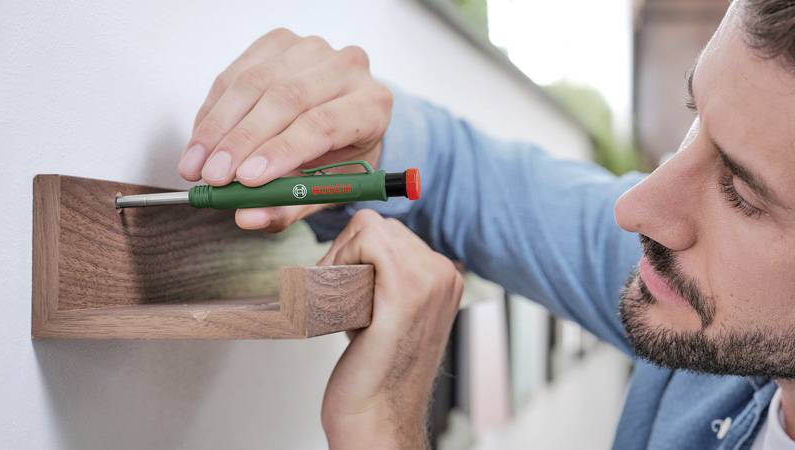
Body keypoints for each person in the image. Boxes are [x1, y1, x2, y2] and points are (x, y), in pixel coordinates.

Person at [176, 0, 795, 448]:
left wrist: (381, 431)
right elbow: (455, 173)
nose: (635, 210)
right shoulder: (709, 287)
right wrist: (348, 131)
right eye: (695, 118)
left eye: (742, 192)